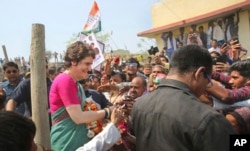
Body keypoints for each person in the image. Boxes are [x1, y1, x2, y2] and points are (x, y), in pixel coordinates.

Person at [132, 44, 236, 151]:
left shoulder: (139, 105)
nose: (206, 86)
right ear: (199, 73)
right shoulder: (207, 118)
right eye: (208, 81)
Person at [49, 41, 114, 151]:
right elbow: (78, 118)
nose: (89, 69)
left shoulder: (76, 84)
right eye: (87, 64)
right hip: (67, 143)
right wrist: (107, 112)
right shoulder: (65, 81)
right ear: (74, 61)